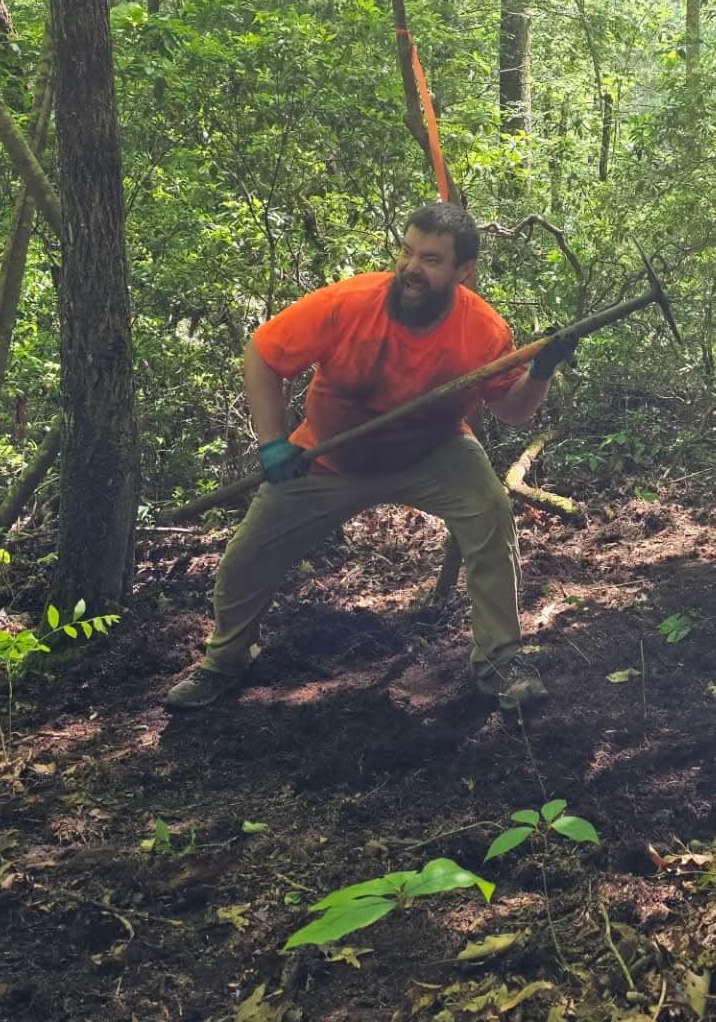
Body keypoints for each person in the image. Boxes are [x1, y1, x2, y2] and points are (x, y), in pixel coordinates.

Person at [163, 202, 576, 713]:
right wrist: (272, 443)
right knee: (249, 555)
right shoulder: (350, 303)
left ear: (462, 271)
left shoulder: (484, 330)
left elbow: (512, 412)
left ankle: (499, 660)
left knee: (490, 511)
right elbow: (263, 355)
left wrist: (542, 371)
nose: (410, 268)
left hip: (434, 450)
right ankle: (225, 660)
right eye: (406, 252)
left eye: (430, 260)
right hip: (331, 456)